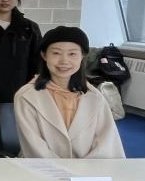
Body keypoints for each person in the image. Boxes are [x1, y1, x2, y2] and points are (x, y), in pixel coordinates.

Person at [14, 26, 125, 159]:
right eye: (56, 53)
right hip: (41, 168)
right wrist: (62, 170)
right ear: (44, 55)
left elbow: (106, 144)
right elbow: (34, 148)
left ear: (82, 56)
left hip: (87, 169)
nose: (64, 61)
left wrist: (83, 170)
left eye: (72, 54)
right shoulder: (26, 96)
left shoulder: (95, 97)